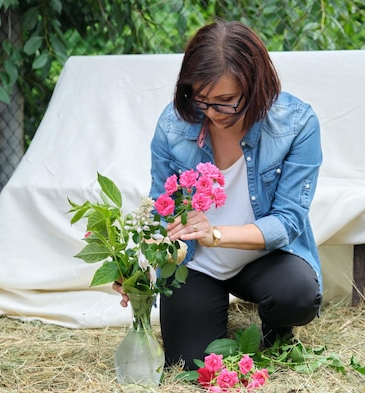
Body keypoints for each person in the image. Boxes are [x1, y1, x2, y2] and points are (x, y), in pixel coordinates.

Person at [115, 19, 323, 370]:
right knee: (190, 363)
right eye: (202, 99)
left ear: (256, 85)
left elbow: (288, 221)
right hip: (195, 263)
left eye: (225, 101)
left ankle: (276, 329)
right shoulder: (173, 125)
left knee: (297, 295)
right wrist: (139, 268)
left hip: (263, 257)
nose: (212, 113)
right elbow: (159, 207)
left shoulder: (296, 124)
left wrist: (215, 234)